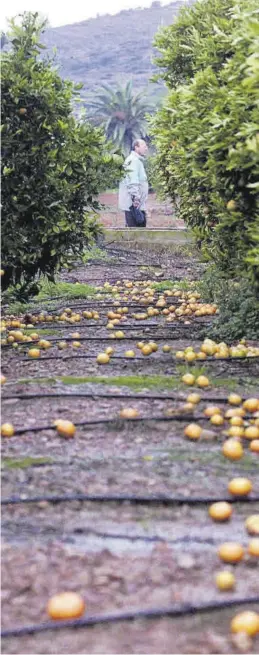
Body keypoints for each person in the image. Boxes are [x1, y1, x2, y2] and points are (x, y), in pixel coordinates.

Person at [118, 139, 149, 227]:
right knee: (135, 233)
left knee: (139, 232)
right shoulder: (133, 161)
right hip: (134, 205)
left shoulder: (136, 160)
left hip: (137, 205)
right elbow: (133, 181)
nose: (146, 148)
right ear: (136, 147)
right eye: (144, 146)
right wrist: (136, 199)